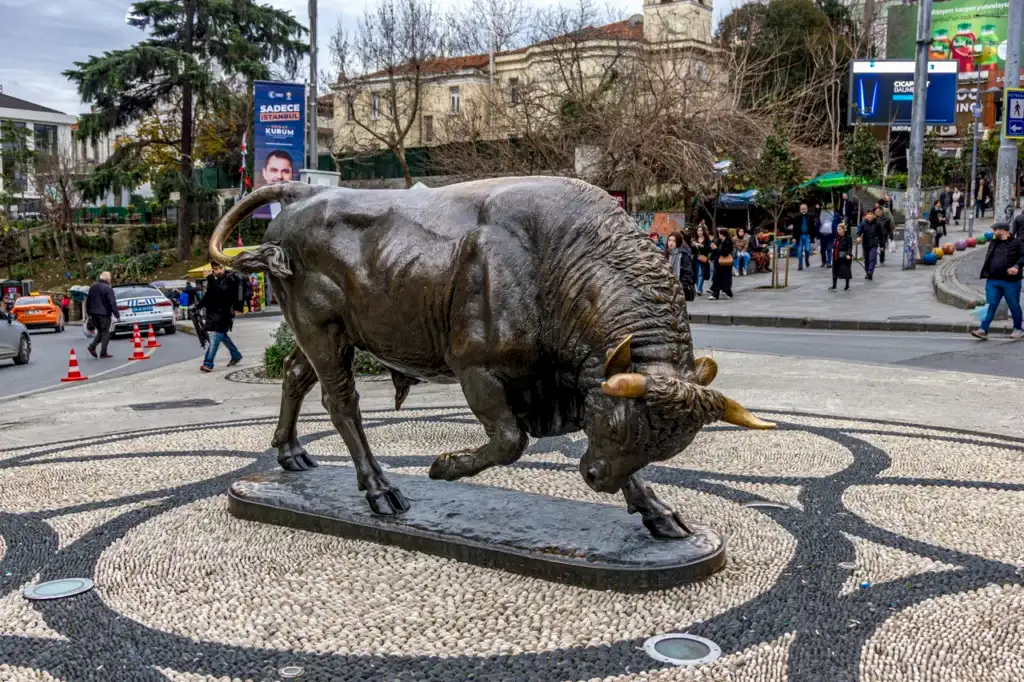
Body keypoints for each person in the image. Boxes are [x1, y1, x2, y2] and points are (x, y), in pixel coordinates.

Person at [970, 222, 1024, 340]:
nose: (993, 232)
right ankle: (983, 329)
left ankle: (1018, 329)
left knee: (1013, 305)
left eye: (995, 230)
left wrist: (1016, 267)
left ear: (1003, 230)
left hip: (1011, 282)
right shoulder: (993, 243)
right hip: (993, 280)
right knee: (990, 305)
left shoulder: (1017, 243)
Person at [195, 262, 244, 372]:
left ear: (225, 267)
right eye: (215, 269)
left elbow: (221, 292)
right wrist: (198, 306)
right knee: (222, 335)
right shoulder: (215, 280)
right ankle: (236, 355)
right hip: (214, 314)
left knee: (215, 336)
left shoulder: (231, 279)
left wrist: (210, 278)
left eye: (220, 268)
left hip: (224, 315)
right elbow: (209, 295)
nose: (218, 271)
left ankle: (208, 363)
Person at [85, 271, 120, 358]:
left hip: (93, 314)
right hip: (104, 314)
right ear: (108, 279)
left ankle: (92, 347)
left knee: (101, 331)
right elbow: (112, 302)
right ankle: (103, 352)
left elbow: (88, 301)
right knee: (105, 333)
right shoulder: (108, 288)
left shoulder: (92, 287)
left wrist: (89, 313)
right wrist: (117, 315)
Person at [789, 203, 819, 271]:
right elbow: (795, 228)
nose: (803, 210)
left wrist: (817, 209)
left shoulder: (810, 216)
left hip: (807, 236)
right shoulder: (797, 217)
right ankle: (800, 265)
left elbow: (815, 220)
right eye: (802, 209)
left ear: (807, 209)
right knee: (799, 251)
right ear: (800, 210)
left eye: (804, 209)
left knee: (807, 250)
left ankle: (806, 259)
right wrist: (793, 237)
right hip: (799, 236)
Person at [708, 228, 734, 300]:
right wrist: (711, 258)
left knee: (725, 279)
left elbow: (725, 253)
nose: (719, 235)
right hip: (718, 263)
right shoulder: (718, 241)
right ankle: (715, 294)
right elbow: (714, 251)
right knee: (717, 278)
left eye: (720, 233)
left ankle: (728, 292)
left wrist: (716, 248)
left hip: (725, 264)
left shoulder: (728, 242)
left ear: (723, 234)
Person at [857, 210, 883, 281]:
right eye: (868, 214)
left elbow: (881, 235)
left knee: (872, 258)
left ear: (873, 215)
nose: (870, 216)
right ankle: (867, 273)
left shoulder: (877, 223)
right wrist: (858, 237)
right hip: (865, 244)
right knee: (866, 260)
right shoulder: (863, 224)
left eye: (871, 214)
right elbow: (859, 232)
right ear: (866, 216)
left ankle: (870, 272)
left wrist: (882, 245)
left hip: (874, 244)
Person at [829, 222, 854, 292]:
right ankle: (834, 286)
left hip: (844, 256)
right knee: (834, 271)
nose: (838, 231)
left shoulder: (848, 237)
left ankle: (847, 286)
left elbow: (850, 247)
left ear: (844, 230)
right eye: (838, 229)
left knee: (846, 271)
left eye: (840, 229)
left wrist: (848, 254)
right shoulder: (837, 237)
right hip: (836, 256)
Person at [694, 225, 714, 295]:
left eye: (701, 230)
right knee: (696, 274)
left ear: (703, 231)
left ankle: (699, 289)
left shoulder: (706, 239)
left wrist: (702, 246)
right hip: (695, 259)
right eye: (698, 231)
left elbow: (709, 249)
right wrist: (694, 245)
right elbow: (691, 250)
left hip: (703, 259)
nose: (699, 232)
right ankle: (700, 288)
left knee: (700, 273)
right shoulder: (694, 240)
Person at [875, 200, 892, 265]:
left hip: (883, 235)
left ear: (882, 212)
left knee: (882, 248)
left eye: (878, 211)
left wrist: (891, 235)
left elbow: (889, 228)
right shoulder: (874, 219)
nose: (877, 212)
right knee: (875, 248)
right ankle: (875, 260)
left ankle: (882, 260)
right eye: (876, 211)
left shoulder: (887, 219)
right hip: (876, 235)